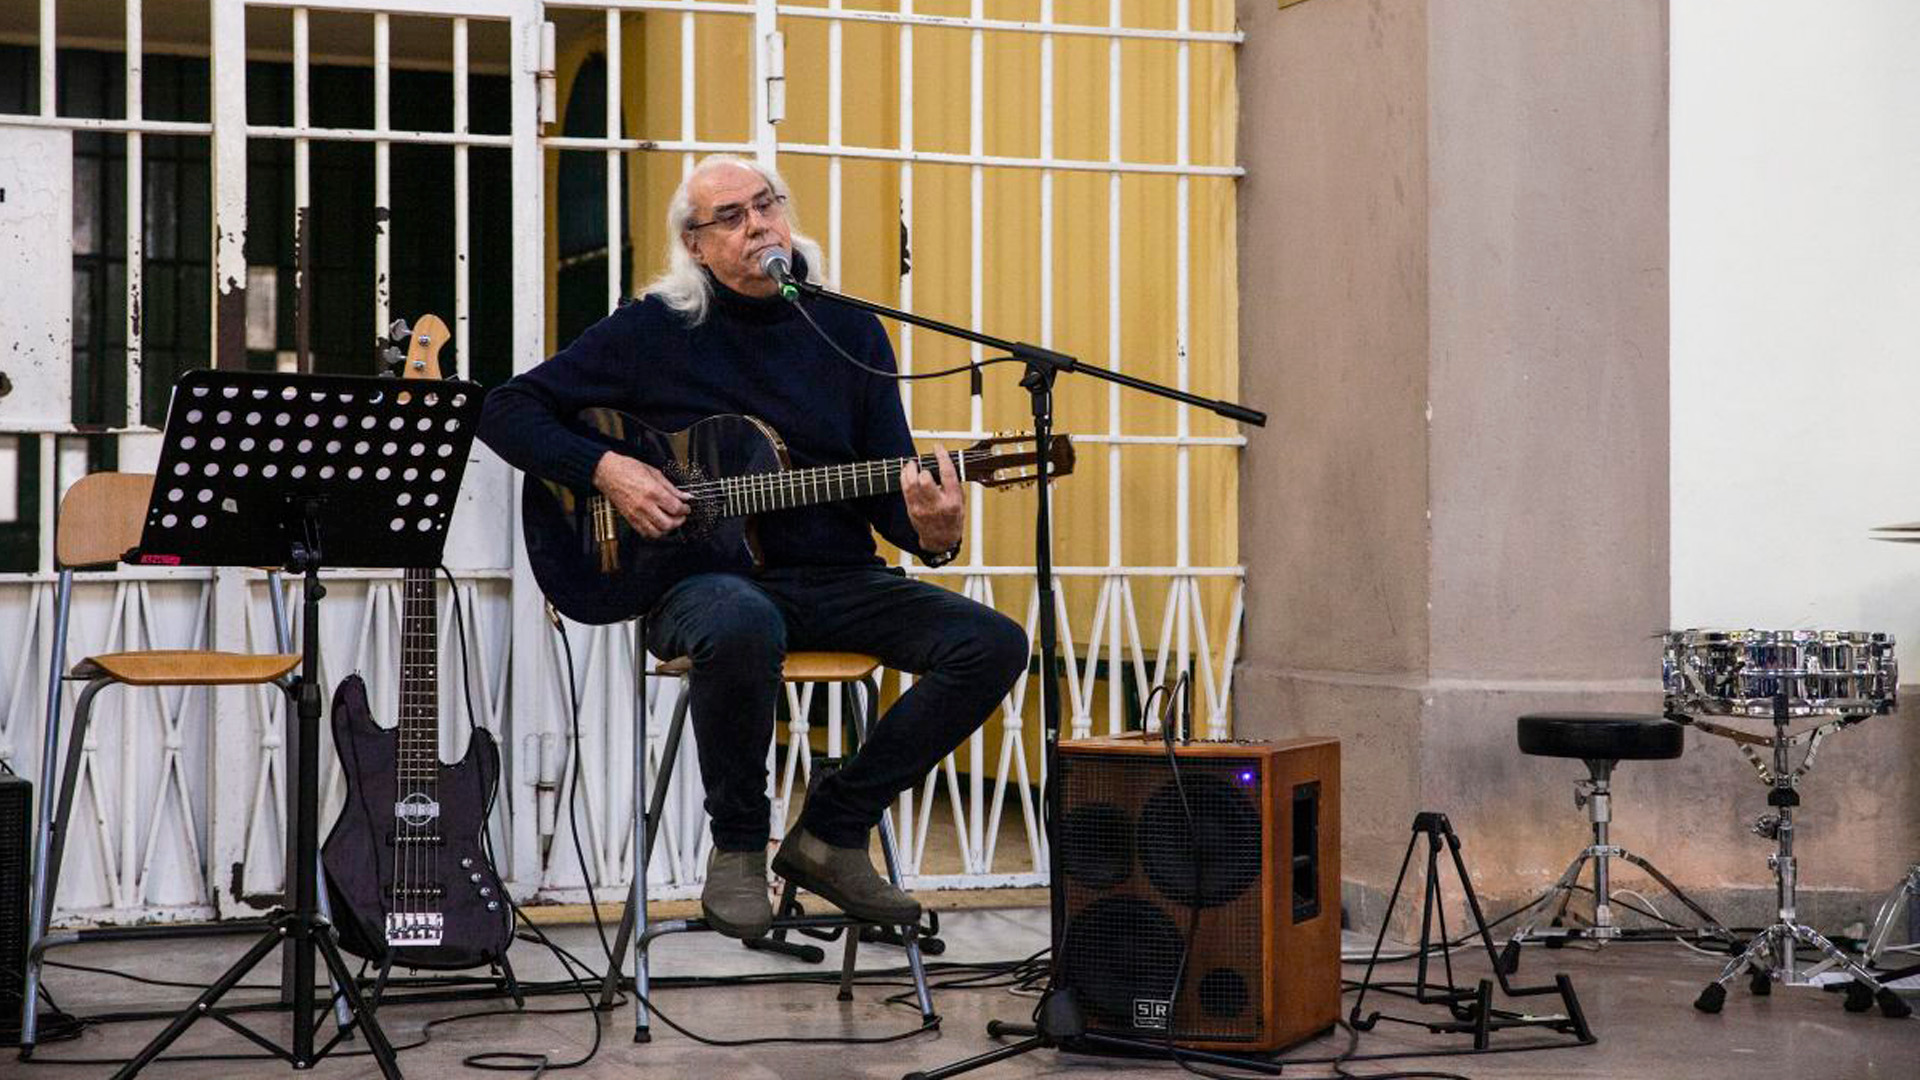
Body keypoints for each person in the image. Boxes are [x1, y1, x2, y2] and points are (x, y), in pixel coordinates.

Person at [479, 155, 1029, 939]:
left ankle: (832, 833)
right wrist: (607, 470)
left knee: (993, 643)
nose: (758, 225)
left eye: (766, 206)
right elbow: (507, 408)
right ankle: (737, 846)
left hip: (834, 579)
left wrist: (936, 534)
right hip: (696, 585)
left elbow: (889, 494)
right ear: (695, 245)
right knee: (742, 622)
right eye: (730, 217)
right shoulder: (655, 328)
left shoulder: (846, 328)